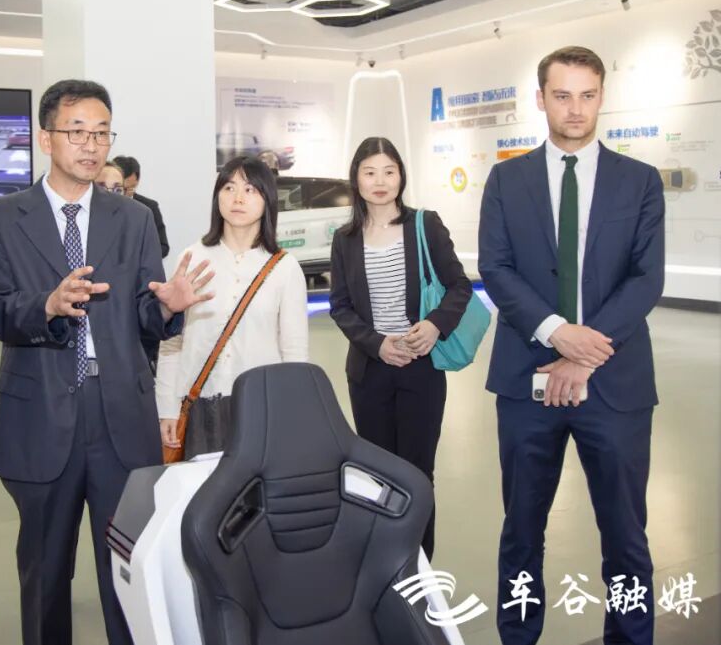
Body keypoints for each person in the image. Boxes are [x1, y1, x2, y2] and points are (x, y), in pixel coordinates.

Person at [0, 79, 213, 645]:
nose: (91, 144)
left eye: (102, 133)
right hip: (41, 413)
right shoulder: (0, 218)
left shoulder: (132, 219)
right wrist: (47, 306)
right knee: (44, 570)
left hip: (119, 415)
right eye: (77, 131)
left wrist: (168, 308)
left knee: (128, 568)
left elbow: (142, 317)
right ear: (46, 138)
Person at [479, 46, 664, 645]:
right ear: (541, 99)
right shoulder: (506, 180)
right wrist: (556, 333)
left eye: (587, 95)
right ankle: (518, 637)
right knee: (521, 533)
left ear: (602, 97)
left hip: (614, 385)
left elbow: (646, 278)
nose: (576, 109)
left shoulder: (639, 182)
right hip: (525, 381)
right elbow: (496, 268)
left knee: (626, 537)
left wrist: (583, 353)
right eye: (562, 95)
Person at [328, 136, 471, 560]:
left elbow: (459, 286)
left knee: (417, 472)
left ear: (401, 176)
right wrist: (377, 344)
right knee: (376, 474)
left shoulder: (425, 225)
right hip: (370, 371)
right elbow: (340, 306)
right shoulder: (345, 238)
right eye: (370, 172)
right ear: (356, 179)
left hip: (421, 368)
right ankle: (382, 564)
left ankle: (418, 566)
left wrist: (435, 325)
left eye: (389, 171)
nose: (380, 181)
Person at [158, 155, 308, 459]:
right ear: (217, 197)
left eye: (250, 189)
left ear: (268, 200)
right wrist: (167, 408)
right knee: (201, 488)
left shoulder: (284, 267)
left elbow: (294, 352)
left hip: (262, 406)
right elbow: (172, 342)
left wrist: (293, 411)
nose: (238, 198)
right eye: (229, 188)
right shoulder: (192, 258)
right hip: (199, 405)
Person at [113, 154, 169, 257]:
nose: (123, 193)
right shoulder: (98, 205)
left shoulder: (149, 207)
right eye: (119, 189)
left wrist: (136, 255)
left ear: (137, 181)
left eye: (129, 188)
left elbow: (163, 247)